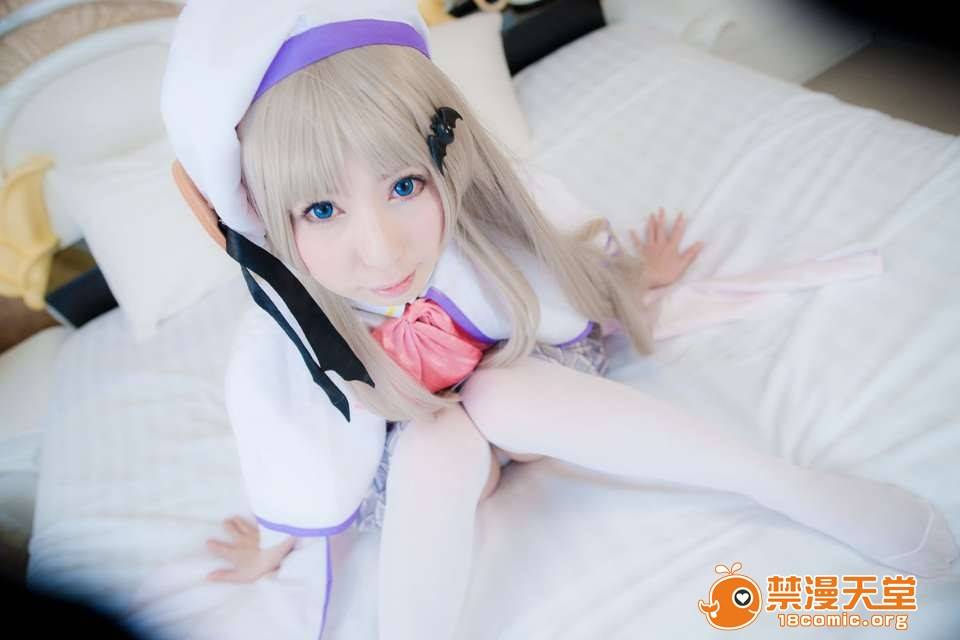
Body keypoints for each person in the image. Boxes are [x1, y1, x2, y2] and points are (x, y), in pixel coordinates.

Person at [160, 2, 958, 638]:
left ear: (446, 159)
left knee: (501, 392)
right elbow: (293, 440)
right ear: (265, 219)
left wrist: (633, 278)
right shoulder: (283, 332)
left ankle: (792, 489)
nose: (382, 250)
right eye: (322, 208)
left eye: (405, 185)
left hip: (521, 387)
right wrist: (279, 540)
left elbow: (559, 259)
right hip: (409, 448)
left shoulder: (485, 224)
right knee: (437, 442)